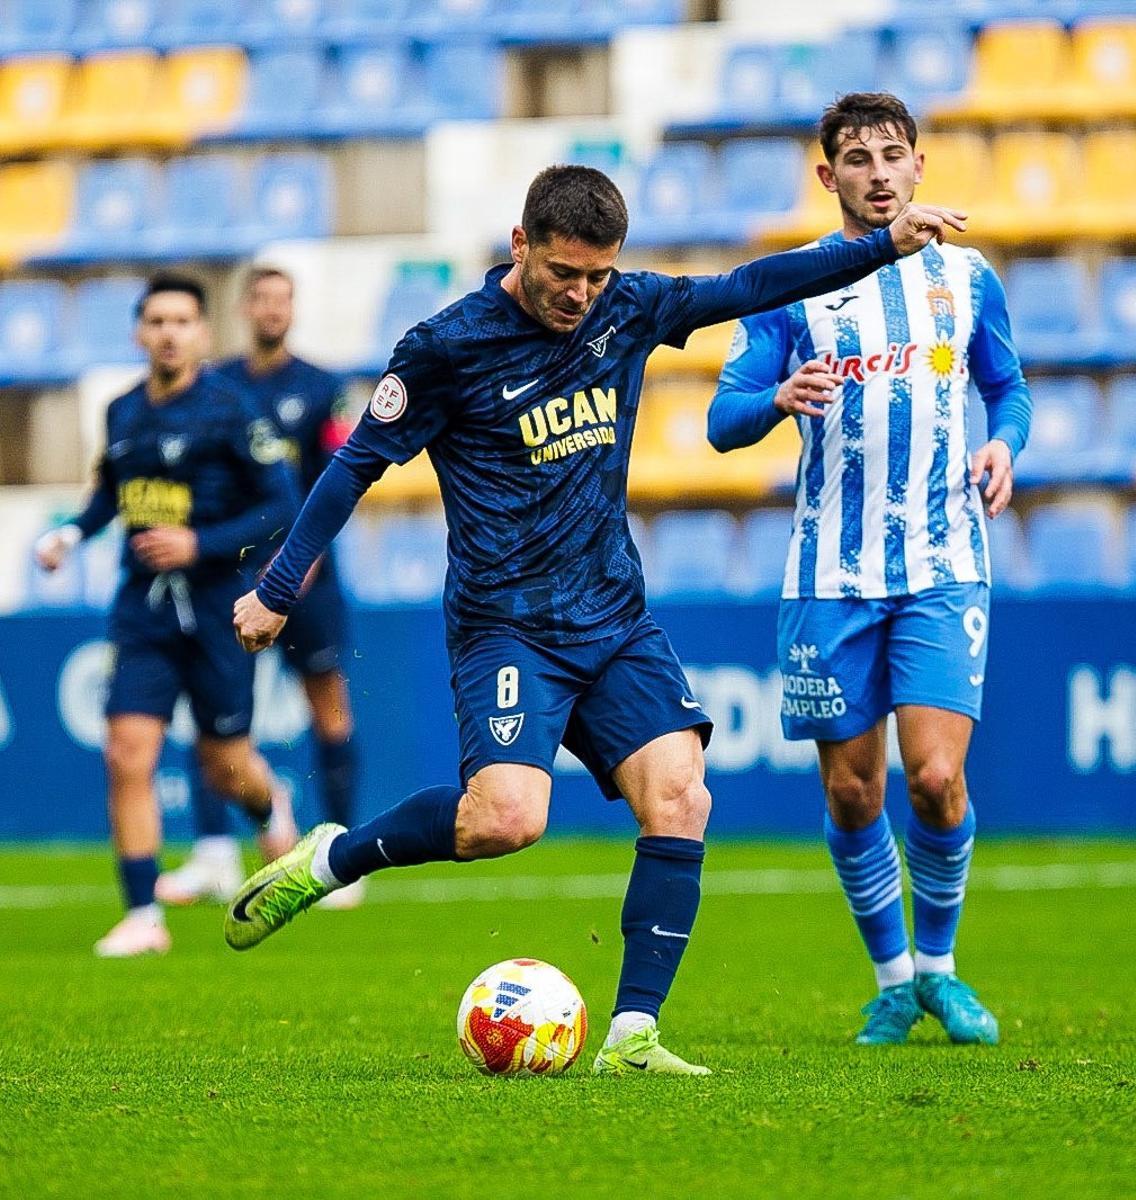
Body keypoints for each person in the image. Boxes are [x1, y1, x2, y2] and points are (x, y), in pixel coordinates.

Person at [223, 164, 965, 1075]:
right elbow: (352, 469)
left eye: (597, 276)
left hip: (612, 616)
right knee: (504, 821)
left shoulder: (629, 308)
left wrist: (880, 247)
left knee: (683, 794)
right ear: (520, 244)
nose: (580, 295)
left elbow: (751, 286)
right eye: (564, 274)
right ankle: (334, 859)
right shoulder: (446, 347)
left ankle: (632, 1036)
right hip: (508, 626)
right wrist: (279, 584)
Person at [707, 94, 1031, 1046]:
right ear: (829, 177)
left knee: (934, 779)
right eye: (858, 158)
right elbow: (724, 422)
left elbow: (1007, 388)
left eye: (894, 154)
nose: (879, 172)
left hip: (943, 560)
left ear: (920, 167)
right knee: (854, 790)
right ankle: (892, 979)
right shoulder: (792, 286)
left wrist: (1004, 445)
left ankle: (940, 970)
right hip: (828, 574)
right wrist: (775, 396)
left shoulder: (969, 278)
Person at [35, 273, 299, 958]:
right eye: (156, 321)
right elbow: (109, 494)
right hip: (143, 613)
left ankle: (271, 807)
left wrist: (199, 544)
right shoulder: (122, 410)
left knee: (226, 767)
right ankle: (143, 914)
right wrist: (71, 533)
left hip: (218, 609)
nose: (168, 333)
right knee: (127, 754)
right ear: (138, 332)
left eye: (182, 321)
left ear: (203, 334)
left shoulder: (232, 411)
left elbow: (282, 505)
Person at [155, 266, 364, 911]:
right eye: (262, 299)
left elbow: (342, 476)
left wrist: (309, 556)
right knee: (213, 709)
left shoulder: (323, 388)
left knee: (327, 703)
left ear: (293, 308)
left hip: (307, 575)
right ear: (246, 308)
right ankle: (215, 851)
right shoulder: (217, 385)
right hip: (233, 576)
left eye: (283, 299)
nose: (272, 310)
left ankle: (340, 856)